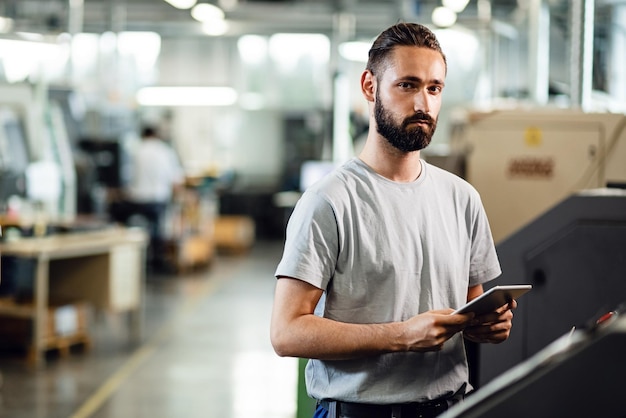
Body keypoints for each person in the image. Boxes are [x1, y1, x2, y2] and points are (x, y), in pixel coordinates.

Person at [270, 22, 517, 418]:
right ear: (370, 87)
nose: (423, 104)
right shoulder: (329, 201)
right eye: (407, 85)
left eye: (434, 88)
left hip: (450, 406)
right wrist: (401, 336)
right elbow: (286, 332)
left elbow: (473, 305)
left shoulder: (462, 198)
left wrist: (487, 324)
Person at [112, 125, 184, 268]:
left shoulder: (136, 151)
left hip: (136, 201)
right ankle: (158, 260)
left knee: (118, 215)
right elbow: (176, 181)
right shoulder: (165, 151)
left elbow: (126, 179)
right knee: (158, 228)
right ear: (156, 135)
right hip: (158, 201)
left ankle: (125, 255)